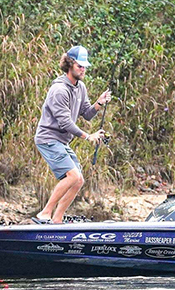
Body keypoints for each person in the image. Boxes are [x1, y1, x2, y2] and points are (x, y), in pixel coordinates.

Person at [33, 45, 111, 224]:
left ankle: (57, 219)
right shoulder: (59, 90)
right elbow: (65, 122)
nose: (83, 69)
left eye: (85, 66)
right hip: (48, 138)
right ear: (69, 64)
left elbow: (87, 113)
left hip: (61, 141)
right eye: (79, 66)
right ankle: (44, 213)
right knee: (73, 176)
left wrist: (99, 103)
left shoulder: (80, 87)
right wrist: (87, 136)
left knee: (78, 180)